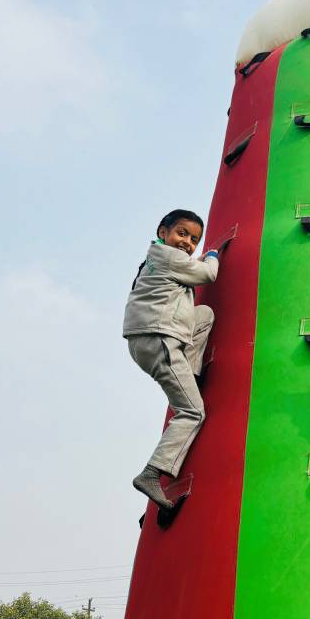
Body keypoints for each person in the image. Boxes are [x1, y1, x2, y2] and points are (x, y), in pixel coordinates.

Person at [122, 208, 220, 507]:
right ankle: (152, 473)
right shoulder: (170, 257)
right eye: (182, 233)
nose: (187, 242)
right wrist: (212, 254)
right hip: (160, 338)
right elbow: (208, 274)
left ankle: (191, 372)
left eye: (194, 239)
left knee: (204, 315)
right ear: (162, 232)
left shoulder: (154, 259)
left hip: (149, 338)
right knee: (193, 411)